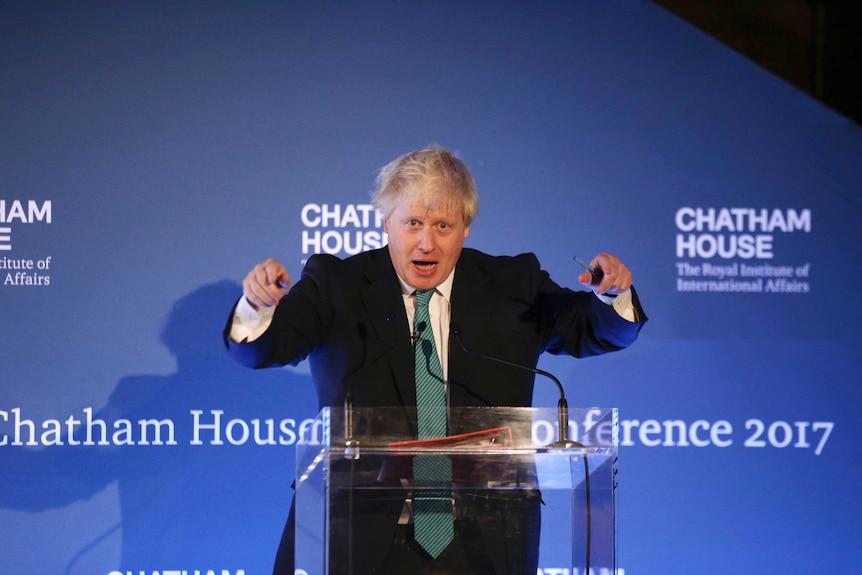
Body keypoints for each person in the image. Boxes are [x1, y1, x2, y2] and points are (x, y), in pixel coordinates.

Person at [224, 145, 647, 574]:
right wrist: (257, 307)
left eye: (443, 225)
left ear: (465, 228)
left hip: (485, 540)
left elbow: (593, 328)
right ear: (386, 223)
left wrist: (612, 295)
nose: (427, 242)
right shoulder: (337, 285)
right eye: (413, 223)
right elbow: (266, 347)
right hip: (356, 536)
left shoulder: (513, 285)